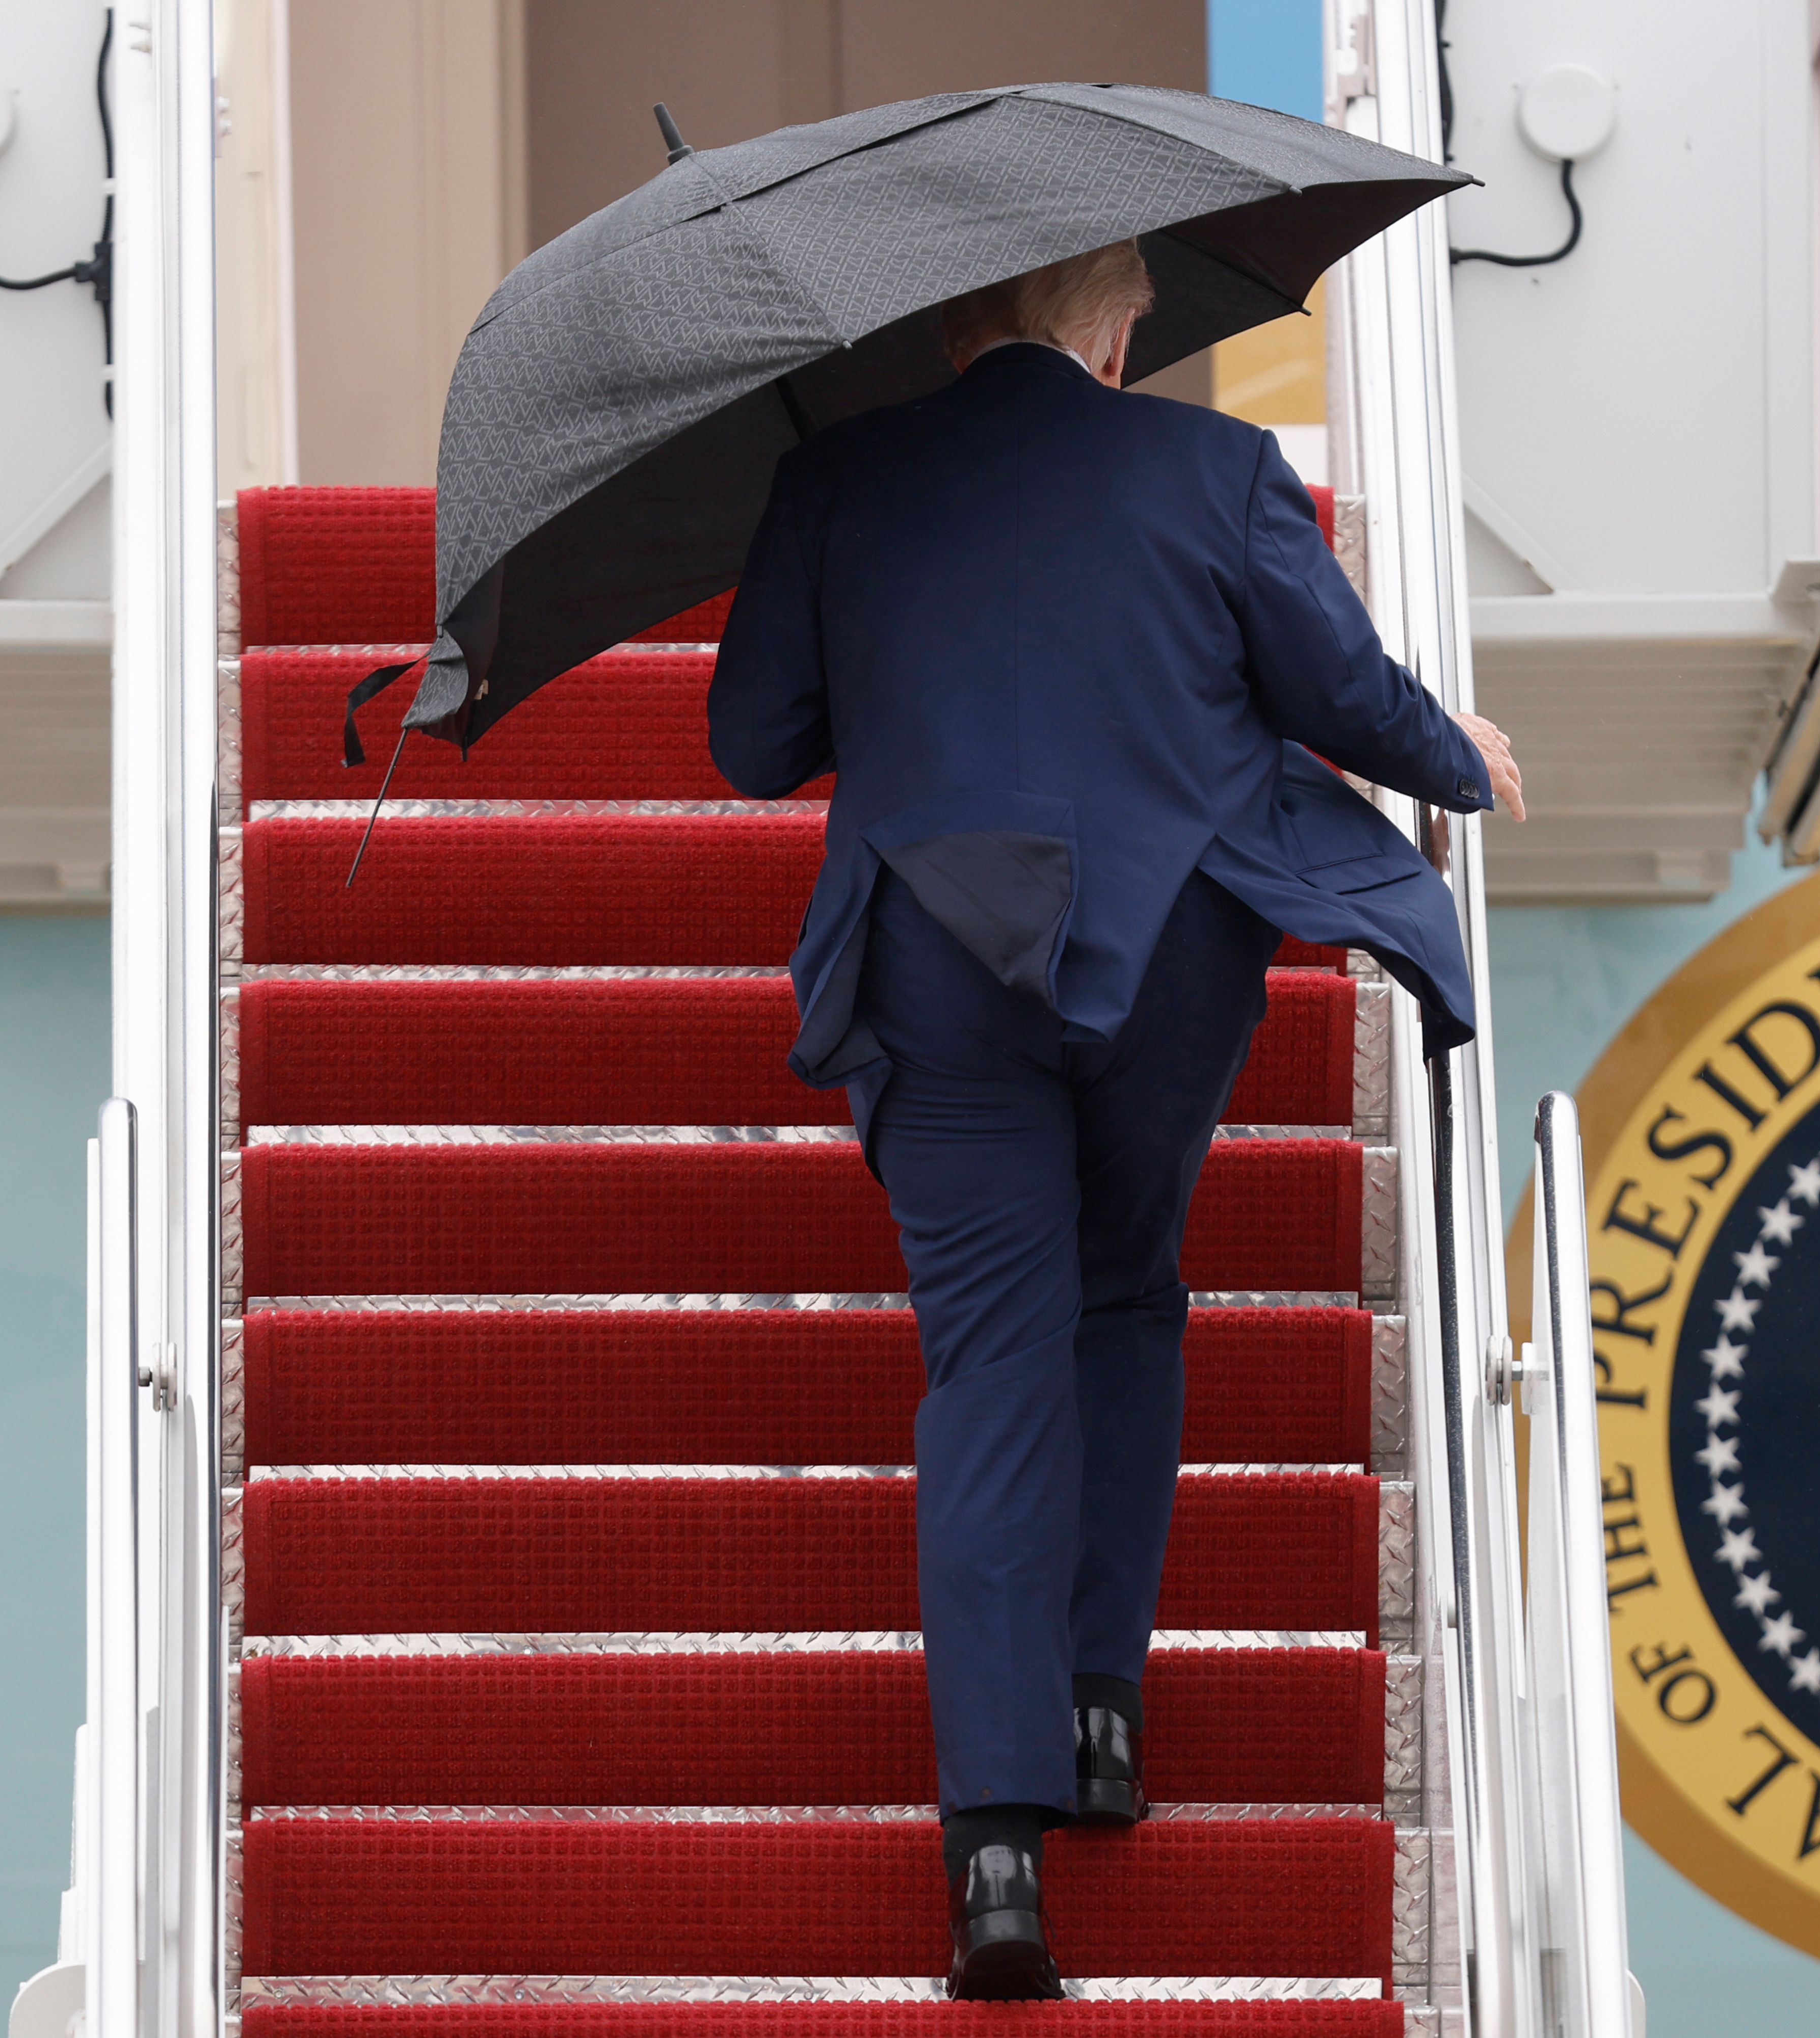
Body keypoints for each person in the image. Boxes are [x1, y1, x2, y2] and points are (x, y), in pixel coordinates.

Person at [705, 239, 1521, 2000]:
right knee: (1129, 1290)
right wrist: (1452, 754)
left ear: (951, 312)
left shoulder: (836, 474)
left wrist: (878, 624)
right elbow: (1337, 691)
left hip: (934, 949)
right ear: (1125, 317)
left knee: (991, 1356)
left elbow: (757, 745)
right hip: (1167, 949)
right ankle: (1100, 1714)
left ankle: (994, 1857)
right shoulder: (1216, 469)